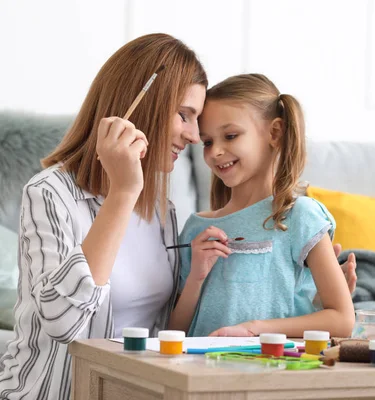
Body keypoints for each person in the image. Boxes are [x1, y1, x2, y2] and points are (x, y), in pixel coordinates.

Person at [0, 34, 356, 400]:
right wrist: (123, 193)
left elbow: (179, 327)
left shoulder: (163, 211)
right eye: (185, 116)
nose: (192, 136)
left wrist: (306, 299)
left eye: (197, 122)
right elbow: (63, 323)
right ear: (142, 105)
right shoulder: (50, 193)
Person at [169, 73, 356, 338]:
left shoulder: (299, 217)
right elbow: (173, 332)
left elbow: (342, 319)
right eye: (208, 142)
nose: (215, 152)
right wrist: (195, 278)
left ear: (275, 133)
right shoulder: (196, 229)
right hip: (200, 374)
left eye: (231, 136)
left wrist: (253, 330)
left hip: (271, 373)